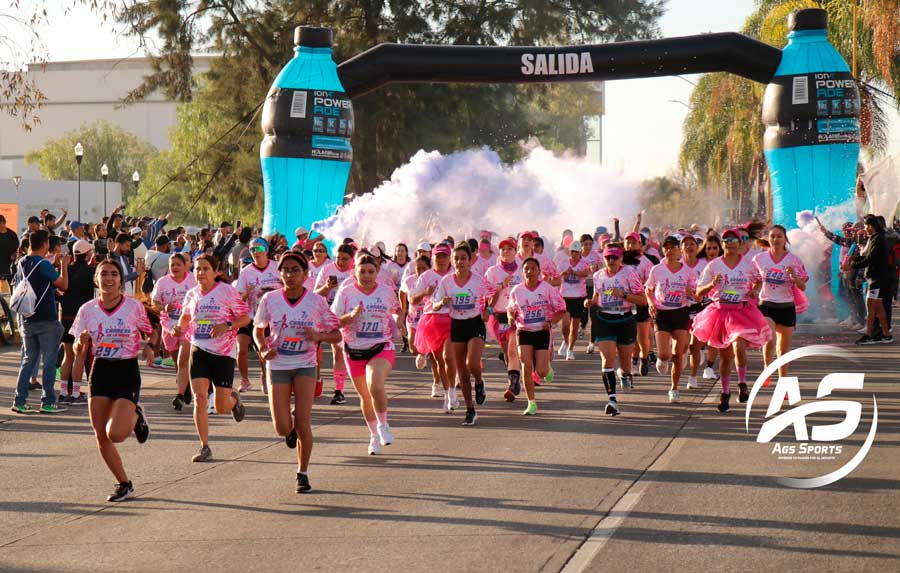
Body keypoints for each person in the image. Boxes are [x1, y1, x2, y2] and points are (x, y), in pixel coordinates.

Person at [254, 252, 341, 493]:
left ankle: (302, 473)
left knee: (303, 421)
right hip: (279, 364)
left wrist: (319, 336)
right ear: (279, 273)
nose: (290, 275)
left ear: (305, 274)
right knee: (282, 427)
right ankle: (288, 426)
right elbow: (258, 329)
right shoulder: (270, 299)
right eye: (286, 270)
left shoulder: (316, 301)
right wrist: (262, 348)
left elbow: (337, 334)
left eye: (295, 270)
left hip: (305, 364)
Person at [70, 259, 154, 501]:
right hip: (100, 371)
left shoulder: (133, 307)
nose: (108, 278)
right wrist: (81, 343)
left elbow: (148, 331)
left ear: (121, 280)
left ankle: (136, 414)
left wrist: (148, 347)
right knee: (101, 435)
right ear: (96, 279)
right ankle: (124, 483)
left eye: (113, 274)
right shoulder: (87, 309)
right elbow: (77, 348)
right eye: (104, 274)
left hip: (126, 370)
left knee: (116, 433)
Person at [173, 255, 251, 462]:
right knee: (199, 399)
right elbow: (186, 316)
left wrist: (226, 326)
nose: (200, 273)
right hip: (199, 350)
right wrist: (179, 327)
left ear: (215, 272)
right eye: (197, 269)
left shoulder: (227, 292)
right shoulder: (191, 294)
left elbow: (245, 317)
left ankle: (233, 400)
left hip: (223, 353)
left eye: (205, 269)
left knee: (220, 407)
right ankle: (204, 446)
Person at [692, 228, 771, 413]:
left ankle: (742, 383)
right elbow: (698, 293)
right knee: (726, 356)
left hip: (741, 312)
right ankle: (725, 393)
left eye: (733, 239)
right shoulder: (713, 266)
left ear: (739, 244)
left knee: (739, 346)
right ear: (722, 244)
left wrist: (754, 290)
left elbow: (759, 280)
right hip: (720, 312)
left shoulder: (748, 265)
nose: (729, 242)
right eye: (725, 239)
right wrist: (712, 285)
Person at [331, 254, 402, 455]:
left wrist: (399, 321)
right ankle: (373, 436)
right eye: (362, 272)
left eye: (371, 272)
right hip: (354, 349)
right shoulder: (346, 293)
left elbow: (396, 310)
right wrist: (351, 316)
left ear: (377, 272)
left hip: (381, 346)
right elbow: (334, 321)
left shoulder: (386, 291)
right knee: (365, 396)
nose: (367, 276)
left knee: (375, 384)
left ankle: (383, 426)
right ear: (355, 272)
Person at [432, 244, 494, 426]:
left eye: (463, 258)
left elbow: (493, 294)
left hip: (474, 324)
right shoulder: (446, 282)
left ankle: (480, 382)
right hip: (457, 326)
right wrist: (441, 302)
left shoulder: (478, 280)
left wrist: (488, 309)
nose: (459, 262)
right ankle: (470, 409)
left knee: (472, 363)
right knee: (463, 374)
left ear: (470, 261)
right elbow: (434, 304)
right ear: (452, 261)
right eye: (456, 258)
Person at [11, 230, 69, 414]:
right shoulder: (43, 264)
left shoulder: (21, 262)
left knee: (28, 360)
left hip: (26, 317)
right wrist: (64, 266)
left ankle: (19, 400)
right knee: (50, 362)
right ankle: (48, 402)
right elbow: (64, 285)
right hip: (46, 317)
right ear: (44, 244)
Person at [584, 245, 645, 415]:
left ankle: (624, 374)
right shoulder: (598, 276)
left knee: (625, 366)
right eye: (608, 258)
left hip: (625, 319)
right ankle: (612, 400)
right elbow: (597, 296)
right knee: (607, 361)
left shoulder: (629, 274)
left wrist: (623, 295)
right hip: (604, 320)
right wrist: (590, 302)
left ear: (620, 259)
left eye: (614, 258)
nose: (611, 261)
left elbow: (643, 300)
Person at [507, 257, 566, 416]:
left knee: (540, 371)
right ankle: (531, 403)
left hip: (542, 331)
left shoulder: (547, 289)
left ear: (539, 271)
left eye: (533, 268)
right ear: (522, 271)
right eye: (526, 269)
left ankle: (547, 370)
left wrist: (551, 321)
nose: (530, 272)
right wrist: (510, 317)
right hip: (524, 330)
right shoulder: (517, 290)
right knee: (526, 366)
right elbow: (510, 309)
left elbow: (561, 309)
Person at [645, 236, 699, 403]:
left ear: (679, 250)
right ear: (663, 250)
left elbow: (695, 293)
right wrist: (650, 303)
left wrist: (692, 294)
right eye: (666, 248)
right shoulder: (657, 270)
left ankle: (674, 388)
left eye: (673, 247)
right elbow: (649, 289)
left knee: (679, 354)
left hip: (680, 312)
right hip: (662, 314)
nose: (670, 251)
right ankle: (662, 358)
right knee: (664, 353)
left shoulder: (687, 271)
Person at [753, 225, 809, 380]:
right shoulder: (759, 259)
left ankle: (783, 382)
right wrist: (753, 287)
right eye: (772, 236)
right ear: (768, 239)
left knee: (783, 351)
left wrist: (794, 277)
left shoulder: (794, 260)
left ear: (785, 239)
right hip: (766, 305)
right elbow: (753, 279)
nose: (775, 239)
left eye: (779, 236)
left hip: (786, 307)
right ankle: (767, 367)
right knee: (769, 338)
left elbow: (802, 286)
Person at [234, 238, 283, 393]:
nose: (256, 253)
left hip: (270, 318)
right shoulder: (246, 272)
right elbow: (237, 298)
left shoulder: (276, 267)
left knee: (263, 351)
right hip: (248, 315)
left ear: (266, 250)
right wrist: (247, 293)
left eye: (259, 249)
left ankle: (265, 375)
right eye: (252, 250)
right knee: (241, 348)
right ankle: (244, 380)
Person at [412, 243, 457, 411]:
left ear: (449, 257)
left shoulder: (455, 274)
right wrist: (425, 292)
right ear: (433, 257)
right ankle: (447, 394)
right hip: (432, 321)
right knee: (439, 361)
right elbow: (413, 300)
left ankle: (452, 389)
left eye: (444, 255)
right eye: (438, 256)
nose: (441, 259)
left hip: (453, 319)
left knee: (448, 357)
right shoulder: (426, 276)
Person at [152, 253, 198, 410]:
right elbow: (154, 301)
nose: (175, 267)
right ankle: (184, 385)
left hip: (188, 324)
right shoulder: (162, 282)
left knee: (183, 358)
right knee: (175, 357)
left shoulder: (193, 279)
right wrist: (163, 307)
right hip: (169, 324)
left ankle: (183, 392)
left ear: (185, 265)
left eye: (179, 264)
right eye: (173, 265)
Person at [314, 244, 355, 404]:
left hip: (352, 316)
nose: (341, 262)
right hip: (332, 316)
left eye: (345, 259)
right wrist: (327, 287)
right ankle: (339, 390)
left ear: (351, 260)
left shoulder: (355, 272)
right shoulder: (327, 270)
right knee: (337, 352)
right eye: (338, 258)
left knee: (352, 353)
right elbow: (315, 294)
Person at [57, 239, 97, 405]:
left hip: (65, 316)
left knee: (68, 354)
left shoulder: (66, 270)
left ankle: (64, 390)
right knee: (80, 354)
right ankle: (75, 394)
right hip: (82, 318)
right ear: (88, 253)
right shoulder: (91, 272)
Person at [485, 237, 524, 401]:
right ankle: (515, 377)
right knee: (508, 353)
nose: (506, 251)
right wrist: (500, 287)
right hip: (498, 316)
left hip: (517, 316)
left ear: (516, 252)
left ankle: (512, 384)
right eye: (503, 249)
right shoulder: (492, 272)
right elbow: (489, 301)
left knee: (513, 351)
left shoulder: (523, 269)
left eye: (510, 248)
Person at [846, 214, 893, 345]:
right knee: (878, 308)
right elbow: (867, 256)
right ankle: (886, 334)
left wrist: (852, 265)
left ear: (871, 226)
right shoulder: (875, 238)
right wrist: (854, 261)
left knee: (871, 308)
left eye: (866, 226)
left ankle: (869, 335)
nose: (865, 228)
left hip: (876, 279)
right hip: (876, 278)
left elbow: (870, 259)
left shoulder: (878, 239)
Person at [622, 231, 654, 376]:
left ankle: (644, 357)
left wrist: (639, 285)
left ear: (640, 244)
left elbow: (651, 283)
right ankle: (633, 361)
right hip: (626, 302)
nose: (630, 245)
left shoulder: (646, 262)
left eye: (633, 242)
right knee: (631, 336)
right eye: (627, 242)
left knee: (643, 337)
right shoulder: (620, 260)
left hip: (641, 302)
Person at [680, 234, 709, 389]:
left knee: (694, 346)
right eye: (685, 244)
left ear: (697, 247)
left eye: (692, 244)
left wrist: (696, 293)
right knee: (683, 346)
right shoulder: (676, 265)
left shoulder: (704, 265)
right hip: (681, 309)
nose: (689, 247)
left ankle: (692, 376)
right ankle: (685, 355)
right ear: (681, 248)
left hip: (700, 309)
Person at [557, 241, 592, 361]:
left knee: (575, 327)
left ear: (580, 252)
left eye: (576, 252)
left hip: (579, 297)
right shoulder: (563, 263)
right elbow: (557, 276)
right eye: (572, 252)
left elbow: (586, 273)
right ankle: (566, 341)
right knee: (565, 325)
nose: (574, 254)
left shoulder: (584, 263)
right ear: (569, 252)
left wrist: (574, 272)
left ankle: (570, 349)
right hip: (565, 297)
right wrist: (564, 273)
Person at [0, 214, 20, 281]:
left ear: (4, 223)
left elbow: (16, 247)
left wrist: (14, 254)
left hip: (8, 264)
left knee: (7, 285)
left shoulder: (12, 234)